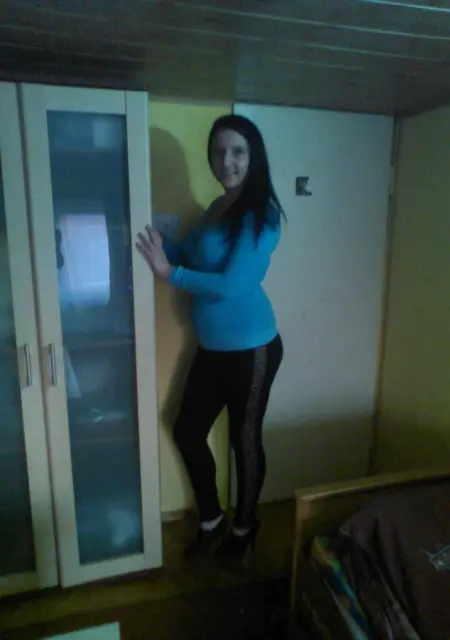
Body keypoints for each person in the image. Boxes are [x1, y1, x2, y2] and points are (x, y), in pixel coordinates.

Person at [136, 114, 284, 563]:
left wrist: (169, 273)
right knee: (186, 430)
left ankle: (244, 527)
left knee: (244, 441)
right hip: (213, 349)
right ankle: (212, 520)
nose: (227, 161)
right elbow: (194, 255)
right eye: (219, 152)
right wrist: (161, 246)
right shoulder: (217, 207)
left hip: (253, 349)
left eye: (237, 151)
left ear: (254, 156)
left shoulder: (262, 214)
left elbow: (230, 285)